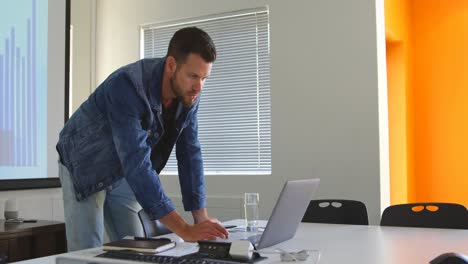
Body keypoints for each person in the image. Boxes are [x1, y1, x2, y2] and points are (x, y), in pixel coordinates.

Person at [56, 27, 228, 251]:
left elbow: (189, 152)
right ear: (171, 65)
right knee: (86, 252)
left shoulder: (189, 95)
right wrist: (184, 230)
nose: (198, 87)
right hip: (85, 165)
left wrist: (200, 217)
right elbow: (136, 162)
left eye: (204, 78)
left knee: (140, 250)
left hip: (123, 172)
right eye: (193, 76)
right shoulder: (127, 86)